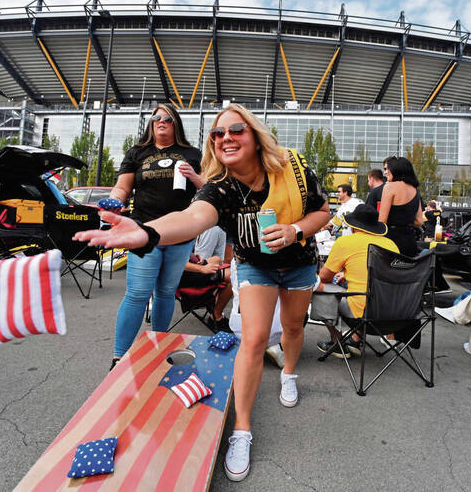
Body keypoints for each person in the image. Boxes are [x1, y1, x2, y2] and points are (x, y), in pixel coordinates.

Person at [73, 103, 330, 482]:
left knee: (292, 328)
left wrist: (296, 231)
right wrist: (147, 233)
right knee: (253, 339)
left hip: (300, 263)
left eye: (236, 130)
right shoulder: (220, 188)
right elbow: (193, 218)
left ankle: (289, 373)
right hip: (255, 265)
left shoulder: (292, 167)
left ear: (255, 137)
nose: (225, 137)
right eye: (217, 133)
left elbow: (323, 211)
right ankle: (242, 430)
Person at [105, 104, 204, 370]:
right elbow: (122, 187)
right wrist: (114, 201)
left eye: (167, 118)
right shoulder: (138, 152)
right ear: (151, 123)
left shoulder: (191, 153)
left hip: (179, 232)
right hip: (143, 231)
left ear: (176, 124)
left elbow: (209, 188)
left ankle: (160, 346)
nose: (161, 121)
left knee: (166, 293)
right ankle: (119, 356)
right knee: (137, 293)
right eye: (156, 117)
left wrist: (194, 177)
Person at [315, 204, 399, 355]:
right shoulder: (391, 244)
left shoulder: (346, 242)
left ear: (353, 226)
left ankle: (337, 342)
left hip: (363, 313)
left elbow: (324, 278)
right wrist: (347, 275)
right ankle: (356, 340)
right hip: (395, 313)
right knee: (364, 291)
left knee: (318, 289)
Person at [179, 226, 233, 332]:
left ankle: (214, 302)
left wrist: (197, 258)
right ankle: (216, 317)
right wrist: (202, 268)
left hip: (191, 265)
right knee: (233, 276)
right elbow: (176, 263)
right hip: (185, 275)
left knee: (217, 259)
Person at [378, 156, 423, 257]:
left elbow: (382, 221)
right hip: (410, 241)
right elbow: (419, 221)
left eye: (388, 169)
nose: (386, 172)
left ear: (396, 170)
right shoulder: (415, 190)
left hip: (391, 241)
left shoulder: (389, 187)